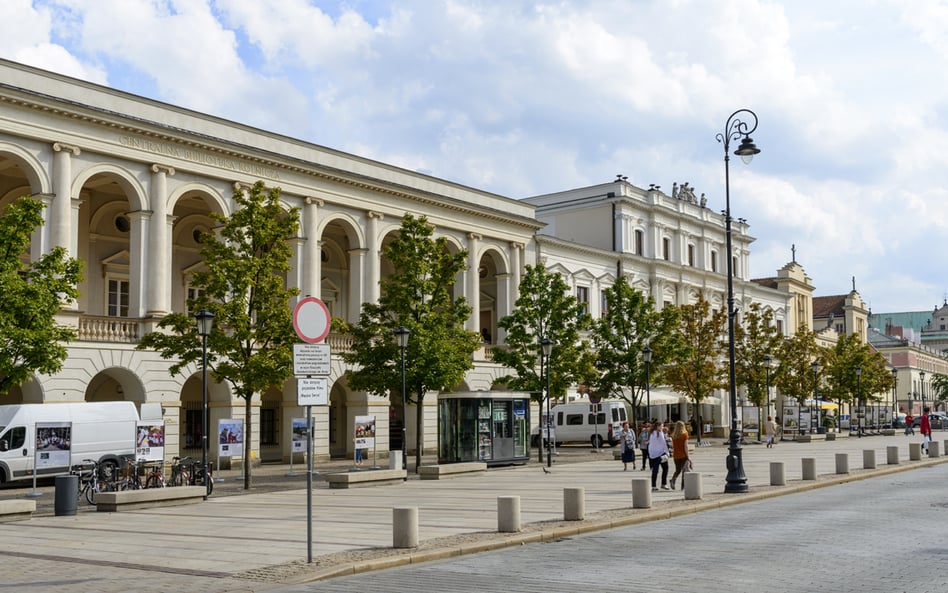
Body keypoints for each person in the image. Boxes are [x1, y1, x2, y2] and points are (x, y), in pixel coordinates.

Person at [647, 421, 670, 491]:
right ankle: (663, 483)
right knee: (665, 468)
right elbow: (663, 443)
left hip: (653, 454)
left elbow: (652, 443)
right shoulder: (659, 433)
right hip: (660, 454)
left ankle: (653, 485)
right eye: (661, 426)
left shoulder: (652, 433)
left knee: (656, 470)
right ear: (658, 427)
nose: (662, 427)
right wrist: (667, 452)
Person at [669, 421, 691, 490]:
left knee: (678, 470)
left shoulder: (673, 436)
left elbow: (672, 446)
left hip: (676, 455)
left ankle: (673, 479)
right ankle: (683, 486)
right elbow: (685, 446)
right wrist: (688, 456)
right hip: (683, 455)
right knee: (684, 470)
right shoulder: (685, 434)